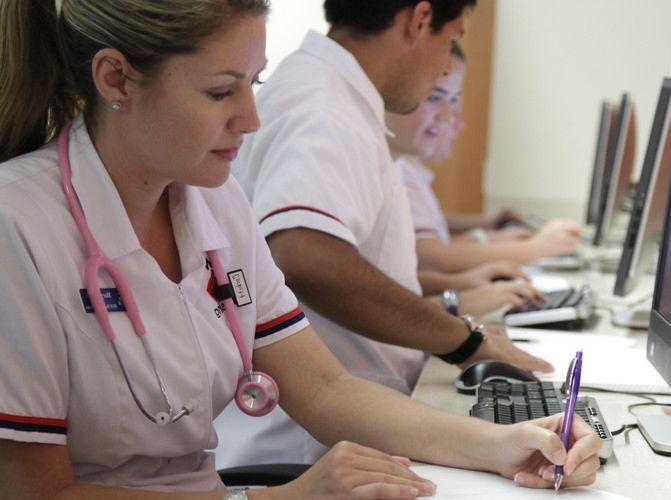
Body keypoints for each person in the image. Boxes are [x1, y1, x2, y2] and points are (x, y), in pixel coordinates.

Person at [0, 1, 602, 498]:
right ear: (115, 79)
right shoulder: (19, 224)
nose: (252, 119)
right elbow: (36, 493)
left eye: (253, 84)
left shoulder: (215, 204)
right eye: (219, 92)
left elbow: (325, 389)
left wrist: (502, 445)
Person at [218, 0, 557, 469]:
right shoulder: (325, 107)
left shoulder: (333, 95)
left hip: (348, 430)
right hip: (310, 453)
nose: (444, 66)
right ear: (419, 21)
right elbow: (303, 254)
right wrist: (462, 340)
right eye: (450, 37)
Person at [387, 44, 584, 278]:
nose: (451, 119)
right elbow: (429, 256)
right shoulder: (400, 169)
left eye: (454, 103)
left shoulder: (401, 168)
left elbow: (429, 233)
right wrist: (534, 249)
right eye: (435, 97)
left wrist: (486, 228)